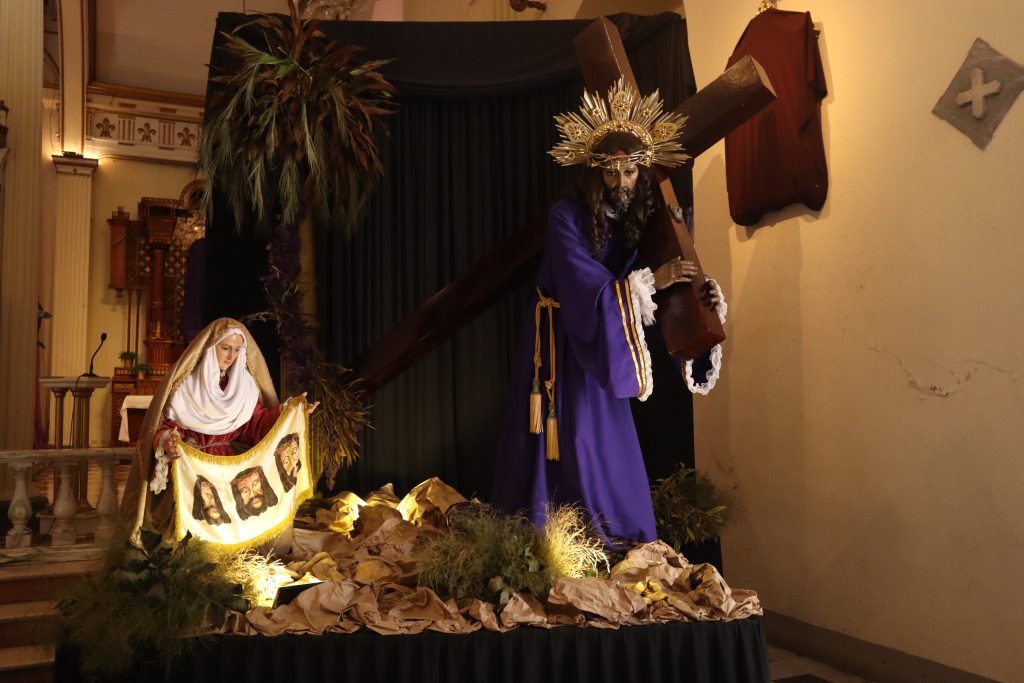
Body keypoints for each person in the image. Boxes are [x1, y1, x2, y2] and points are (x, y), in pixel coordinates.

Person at [491, 79, 723, 548]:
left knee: (606, 442)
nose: (621, 183)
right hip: (562, 341)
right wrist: (648, 283)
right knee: (570, 436)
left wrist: (702, 300)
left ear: (642, 171)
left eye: (630, 172)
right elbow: (584, 285)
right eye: (611, 173)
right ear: (594, 172)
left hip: (606, 343)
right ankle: (552, 539)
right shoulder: (565, 217)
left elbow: (664, 278)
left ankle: (614, 540)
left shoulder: (643, 219)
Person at [121, 317, 316, 535]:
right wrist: (168, 441)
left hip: (231, 467)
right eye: (225, 348)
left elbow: (255, 425)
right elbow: (165, 427)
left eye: (237, 350)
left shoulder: (245, 386)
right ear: (210, 347)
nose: (230, 356)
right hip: (195, 467)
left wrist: (290, 412)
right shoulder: (186, 385)